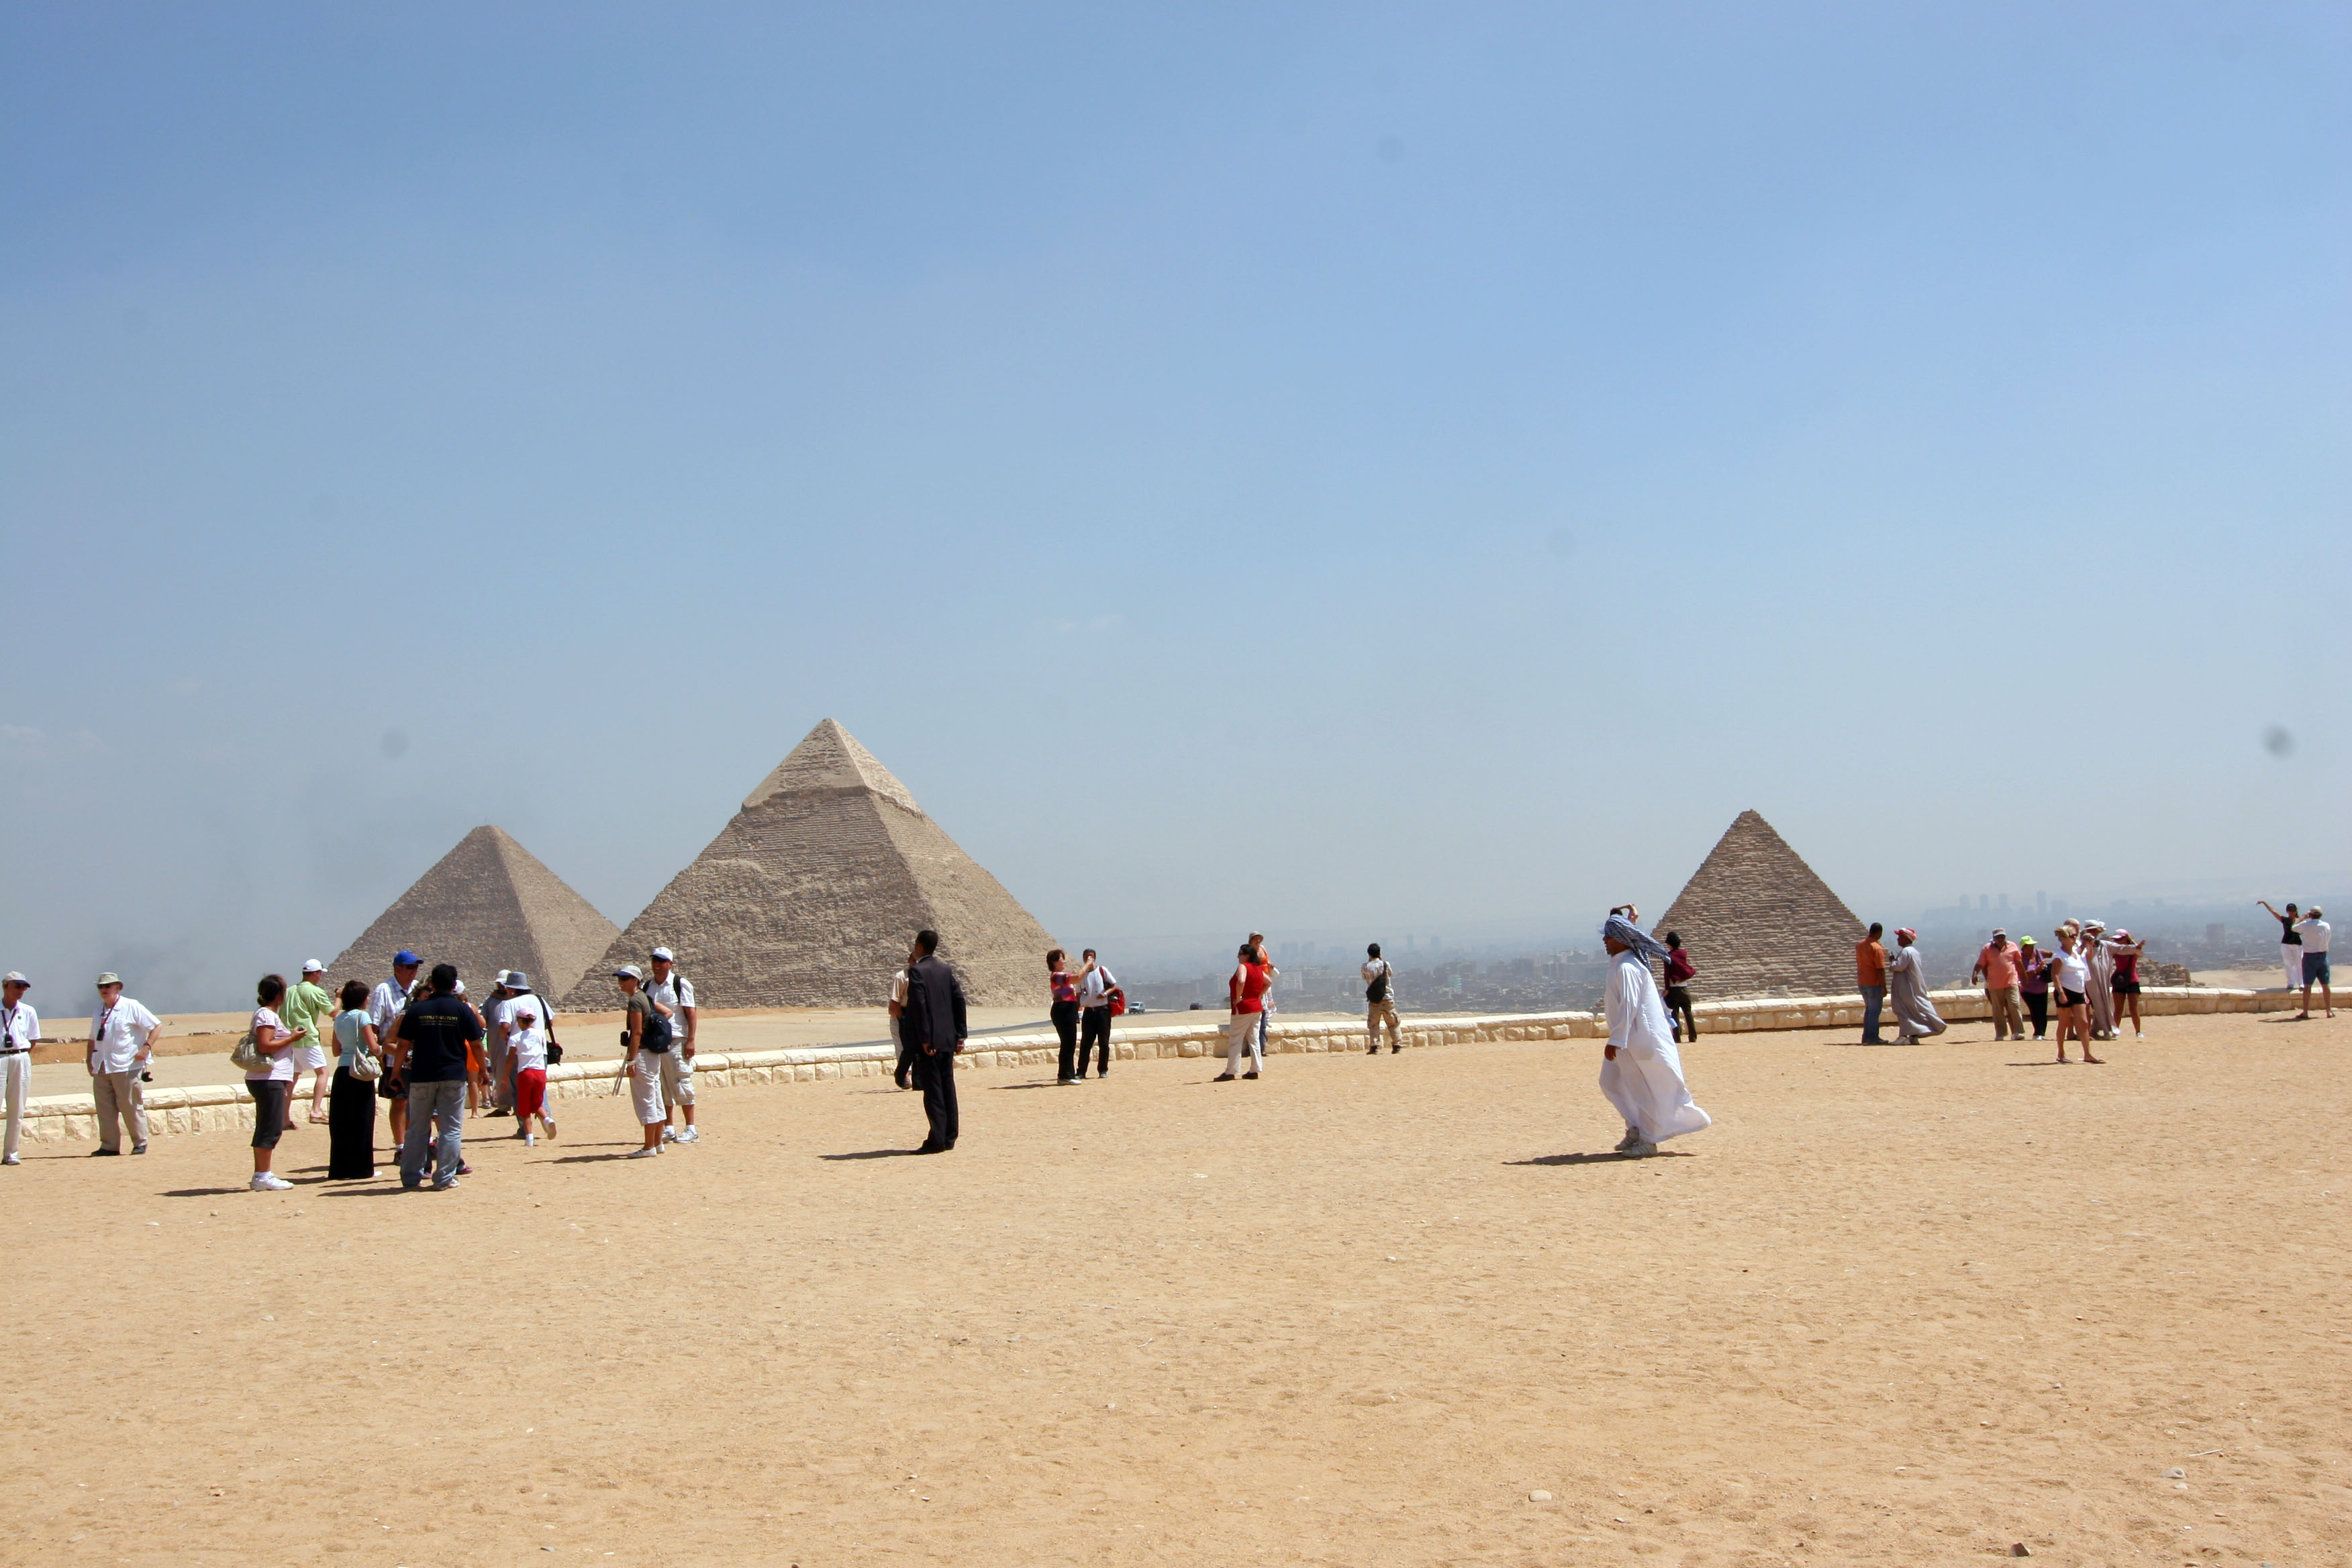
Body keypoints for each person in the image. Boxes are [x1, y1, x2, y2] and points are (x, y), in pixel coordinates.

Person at [1597, 912, 1711, 1157]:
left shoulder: (1627, 967)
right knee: (1611, 1081)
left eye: (1609, 936)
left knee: (1641, 1089)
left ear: (1621, 939)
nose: (1605, 940)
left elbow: (1629, 1005)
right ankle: (1636, 1128)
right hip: (1630, 1037)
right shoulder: (1622, 962)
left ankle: (1648, 1141)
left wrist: (1616, 1040)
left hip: (1636, 1039)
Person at [386, 963, 481, 1190]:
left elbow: (403, 1045)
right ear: (454, 984)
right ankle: (445, 1178)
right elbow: (477, 1043)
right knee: (451, 1129)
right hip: (453, 1076)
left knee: (417, 1129)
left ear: (432, 984)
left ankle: (411, 1177)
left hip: (422, 1075)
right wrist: (484, 1071)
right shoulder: (462, 1010)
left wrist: (396, 1072)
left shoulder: (417, 1010)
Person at [901, 930, 967, 1153]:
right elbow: (959, 1000)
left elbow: (919, 1007)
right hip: (948, 1039)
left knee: (933, 1091)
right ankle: (950, 1136)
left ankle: (936, 1140)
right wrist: (960, 1035)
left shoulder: (917, 971)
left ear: (919, 945)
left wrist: (925, 1039)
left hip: (930, 1043)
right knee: (948, 1087)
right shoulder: (945, 970)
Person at [87, 972, 161, 1157]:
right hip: (102, 1065)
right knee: (105, 1108)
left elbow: (156, 1026)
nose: (104, 990)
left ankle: (140, 1142)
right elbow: (93, 1038)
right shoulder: (98, 1011)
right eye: (101, 987)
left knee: (130, 1105)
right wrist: (89, 1060)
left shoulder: (131, 1006)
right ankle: (109, 1146)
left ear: (118, 987)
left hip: (127, 1065)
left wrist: (146, 1048)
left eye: (108, 986)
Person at [244, 975, 305, 1191]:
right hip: (268, 1079)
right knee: (270, 1127)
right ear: (279, 994)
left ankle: (263, 1173)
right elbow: (265, 1045)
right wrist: (292, 1038)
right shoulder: (266, 1015)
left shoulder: (268, 1014)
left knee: (269, 1126)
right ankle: (262, 1175)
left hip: (270, 1079)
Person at [613, 965, 674, 1159]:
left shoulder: (635, 1001)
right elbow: (668, 1013)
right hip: (653, 1055)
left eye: (625, 978)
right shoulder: (646, 998)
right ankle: (657, 1144)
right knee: (655, 1097)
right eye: (619, 978)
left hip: (642, 1055)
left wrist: (632, 1061)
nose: (621, 982)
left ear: (636, 980)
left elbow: (637, 1032)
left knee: (646, 1099)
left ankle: (649, 1147)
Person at [369, 951, 422, 1154]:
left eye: (416, 967)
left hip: (418, 1058)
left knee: (418, 1103)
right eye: (410, 967)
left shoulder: (419, 989)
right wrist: (379, 1056)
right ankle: (401, 1147)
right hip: (394, 1057)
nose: (414, 971)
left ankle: (415, 1143)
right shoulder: (383, 990)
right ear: (397, 968)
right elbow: (374, 1026)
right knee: (400, 1101)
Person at [327, 979, 380, 1180]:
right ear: (361, 998)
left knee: (342, 1122)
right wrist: (382, 1049)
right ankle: (362, 1169)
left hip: (342, 1072)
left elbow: (336, 1050)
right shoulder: (362, 1016)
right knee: (363, 1121)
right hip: (359, 1073)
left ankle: (340, 1169)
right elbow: (373, 1047)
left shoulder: (339, 1018)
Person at [646, 947, 699, 1143]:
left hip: (677, 1040)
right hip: (656, 1042)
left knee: (681, 1083)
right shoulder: (647, 986)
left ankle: (691, 1129)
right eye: (654, 961)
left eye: (661, 961)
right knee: (662, 1087)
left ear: (670, 964)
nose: (657, 965)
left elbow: (691, 1013)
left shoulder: (680, 984)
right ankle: (668, 1128)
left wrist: (691, 1040)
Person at [282, 959, 338, 1128]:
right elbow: (332, 1012)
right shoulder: (315, 991)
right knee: (323, 1072)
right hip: (307, 1037)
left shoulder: (289, 991)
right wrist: (339, 997)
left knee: (292, 1077)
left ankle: (284, 1118)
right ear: (315, 974)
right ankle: (316, 1111)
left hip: (290, 1038)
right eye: (320, 974)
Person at [503, 989, 556, 1145]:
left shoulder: (515, 1038)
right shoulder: (540, 1034)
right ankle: (547, 1119)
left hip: (525, 1074)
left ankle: (529, 1138)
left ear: (519, 1021)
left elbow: (510, 1059)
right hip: (540, 1072)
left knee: (524, 1108)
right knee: (537, 1103)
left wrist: (504, 1079)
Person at [2049, 924, 2103, 1064]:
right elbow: (2055, 975)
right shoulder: (2059, 956)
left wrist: (2087, 944)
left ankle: (2088, 1054)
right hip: (2065, 991)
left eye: (2075, 936)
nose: (2074, 938)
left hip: (2078, 991)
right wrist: (2061, 993)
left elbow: (2083, 959)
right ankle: (2061, 1053)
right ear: (2063, 939)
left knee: (2083, 1022)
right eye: (2071, 936)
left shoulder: (2075, 953)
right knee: (2064, 1022)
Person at [1217, 942, 1269, 1082]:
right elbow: (1268, 982)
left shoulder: (1243, 967)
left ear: (1247, 955)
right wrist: (1258, 995)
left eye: (1240, 954)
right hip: (1256, 1007)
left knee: (1236, 1039)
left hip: (1244, 1007)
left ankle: (1231, 1071)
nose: (1238, 957)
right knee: (1254, 1039)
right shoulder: (1258, 969)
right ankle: (1255, 1069)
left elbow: (1241, 981)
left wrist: (1239, 998)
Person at [1885, 929, 1947, 1044]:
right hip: (1912, 986)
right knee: (1913, 1011)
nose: (1898, 939)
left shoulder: (1906, 952)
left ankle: (1904, 1036)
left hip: (1906, 987)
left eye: (1900, 937)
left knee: (1903, 1010)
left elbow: (1898, 967)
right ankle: (1913, 1036)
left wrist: (1893, 961)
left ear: (1906, 939)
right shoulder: (1914, 952)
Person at [2, 972, 37, 1167]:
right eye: (17, 986)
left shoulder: (28, 1011)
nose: (21, 990)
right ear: (6, 986)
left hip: (21, 1058)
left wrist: (20, 1054)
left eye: (24, 987)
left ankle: (11, 1153)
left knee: (17, 1108)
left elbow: (33, 1040)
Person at [1970, 930, 2024, 1042]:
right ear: (1994, 938)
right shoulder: (1987, 948)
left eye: (2002, 937)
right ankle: (2001, 1033)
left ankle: (2018, 1031)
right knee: (1998, 1010)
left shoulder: (2012, 946)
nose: (2000, 939)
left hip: (2011, 981)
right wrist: (1975, 974)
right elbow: (1980, 963)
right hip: (1995, 984)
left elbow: (2019, 963)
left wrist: (2024, 978)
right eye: (1998, 937)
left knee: (2014, 1005)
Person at [1076, 948, 1116, 1079]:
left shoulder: (1102, 971)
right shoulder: (1081, 975)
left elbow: (1114, 986)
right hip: (1089, 1012)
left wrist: (1105, 994)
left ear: (1095, 958)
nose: (1089, 959)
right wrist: (1077, 1010)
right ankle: (1081, 1071)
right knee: (1086, 1043)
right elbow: (1078, 994)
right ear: (1083, 959)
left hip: (1103, 1012)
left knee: (1104, 1042)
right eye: (1087, 957)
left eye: (1091, 957)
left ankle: (1103, 1070)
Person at [1047, 948, 1081, 1085]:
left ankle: (1069, 1074)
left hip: (1068, 1010)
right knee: (1067, 1043)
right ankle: (1065, 1076)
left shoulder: (1061, 976)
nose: (1064, 962)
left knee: (1070, 1043)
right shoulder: (1057, 976)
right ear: (1054, 962)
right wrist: (1087, 965)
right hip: (1063, 1011)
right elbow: (1077, 978)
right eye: (1062, 959)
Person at [890, 944, 920, 1090]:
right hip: (902, 1014)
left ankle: (918, 1079)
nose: (916, 964)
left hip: (918, 1015)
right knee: (903, 1047)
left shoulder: (924, 976)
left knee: (918, 1048)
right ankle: (904, 1076)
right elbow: (894, 1002)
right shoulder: (901, 977)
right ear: (909, 961)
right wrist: (902, 1020)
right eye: (914, 961)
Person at [2080, 920, 2117, 1040]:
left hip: (2098, 978)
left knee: (2101, 1003)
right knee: (2097, 1004)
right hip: (2086, 980)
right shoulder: (2081, 945)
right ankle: (2105, 1031)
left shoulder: (2101, 945)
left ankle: (2094, 1030)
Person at [2295, 906, 2333, 1020]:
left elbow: (2293, 928)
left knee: (2307, 986)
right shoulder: (2326, 925)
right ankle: (2329, 1011)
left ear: (2311, 915)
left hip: (2309, 957)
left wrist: (2302, 918)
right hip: (2322, 956)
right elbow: (2328, 938)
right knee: (2325, 985)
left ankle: (2305, 1012)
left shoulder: (2305, 925)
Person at [1362, 943, 1400, 1055]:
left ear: (1369, 954)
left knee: (1373, 1024)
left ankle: (1374, 1046)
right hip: (1388, 998)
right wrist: (1381, 961)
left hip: (1374, 999)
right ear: (1379, 953)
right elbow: (1390, 974)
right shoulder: (1385, 964)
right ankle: (1397, 1045)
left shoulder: (1365, 967)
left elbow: (1364, 977)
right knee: (1393, 1022)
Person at [2257, 900, 2303, 993]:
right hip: (2286, 943)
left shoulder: (2300, 920)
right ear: (2287, 911)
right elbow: (2273, 911)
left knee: (2299, 963)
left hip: (2297, 944)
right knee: (2288, 963)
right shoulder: (2285, 920)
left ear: (2296, 911)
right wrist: (2265, 903)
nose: (2291, 912)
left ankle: (2301, 982)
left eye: (2293, 910)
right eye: (2290, 910)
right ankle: (2291, 982)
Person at [1247, 932, 1279, 1063]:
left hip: (1265, 983)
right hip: (1256, 985)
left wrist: (1271, 966)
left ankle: (1262, 1046)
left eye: (1259, 939)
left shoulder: (1263, 949)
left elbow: (1267, 961)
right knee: (1256, 1015)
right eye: (1256, 939)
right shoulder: (1249, 952)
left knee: (1264, 1014)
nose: (1258, 941)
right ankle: (1255, 1047)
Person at [1855, 924, 1889, 1044]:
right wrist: (1884, 987)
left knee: (1869, 1011)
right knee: (1874, 1012)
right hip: (1874, 983)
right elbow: (1880, 969)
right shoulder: (1877, 948)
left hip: (1863, 982)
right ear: (1879, 933)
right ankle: (1873, 1037)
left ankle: (1866, 1037)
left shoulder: (1860, 945)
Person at [1661, 932, 1698, 1044]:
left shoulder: (1668, 956)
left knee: (1675, 1014)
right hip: (1684, 989)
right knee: (1688, 1013)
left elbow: (1667, 974)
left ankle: (1677, 1037)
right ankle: (1693, 1037)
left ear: (1670, 943)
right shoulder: (1683, 953)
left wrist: (1667, 989)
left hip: (1674, 990)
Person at [2016, 936, 2052, 1040]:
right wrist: (2037, 970)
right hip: (2028, 990)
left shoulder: (2038, 953)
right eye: (2029, 946)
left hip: (2042, 988)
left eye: (2032, 945)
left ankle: (2042, 1033)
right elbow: (2022, 974)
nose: (2031, 948)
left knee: (2043, 1011)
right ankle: (2037, 1032)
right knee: (2035, 1011)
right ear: (2024, 947)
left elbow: (2052, 954)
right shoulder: (2020, 959)